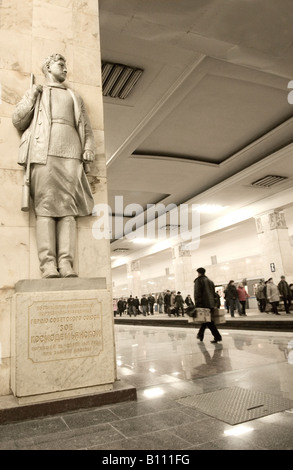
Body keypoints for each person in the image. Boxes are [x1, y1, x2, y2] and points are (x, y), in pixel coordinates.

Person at [12, 53, 95, 279]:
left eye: (66, 65)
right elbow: (18, 120)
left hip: (71, 153)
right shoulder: (38, 92)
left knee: (69, 210)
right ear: (48, 67)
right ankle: (48, 264)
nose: (65, 69)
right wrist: (30, 95)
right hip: (43, 153)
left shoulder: (73, 96)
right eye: (61, 65)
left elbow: (85, 127)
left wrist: (88, 147)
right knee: (45, 208)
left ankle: (66, 263)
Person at [194, 267, 222, 344]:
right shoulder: (210, 281)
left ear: (199, 273)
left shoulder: (199, 281)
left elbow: (197, 294)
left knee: (208, 321)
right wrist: (215, 304)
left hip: (203, 304)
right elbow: (214, 294)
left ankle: (217, 336)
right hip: (211, 304)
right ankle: (201, 334)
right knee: (207, 320)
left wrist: (197, 305)